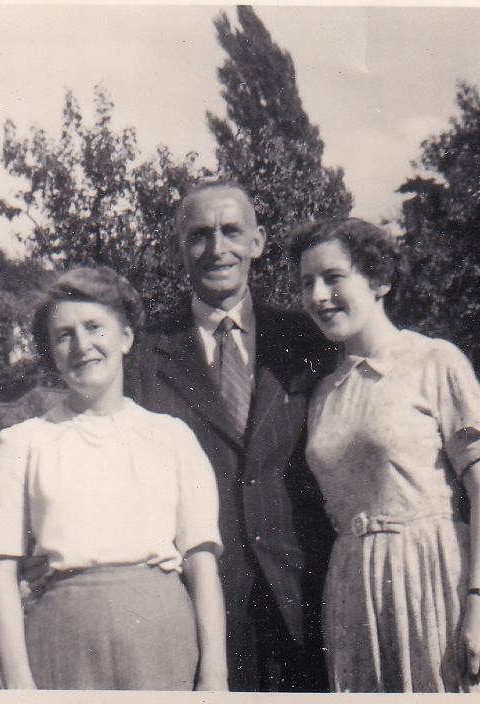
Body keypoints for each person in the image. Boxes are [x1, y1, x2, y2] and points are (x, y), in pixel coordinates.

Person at [288, 217, 480, 693]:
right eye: (307, 284)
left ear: (378, 279)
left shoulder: (435, 361)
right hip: (354, 592)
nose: (318, 296)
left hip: (435, 578)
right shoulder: (322, 393)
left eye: (334, 277)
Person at [125, 181, 336, 692]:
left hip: (309, 596)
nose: (217, 249)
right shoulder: (145, 359)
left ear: (258, 242)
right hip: (206, 610)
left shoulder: (309, 341)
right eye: (199, 236)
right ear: (180, 250)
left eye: (231, 231)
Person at [0, 267, 227, 691]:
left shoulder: (171, 437)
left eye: (95, 327)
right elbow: (1, 575)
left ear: (126, 338)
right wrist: (20, 687)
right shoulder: (20, 444)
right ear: (51, 353)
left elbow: (202, 565)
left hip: (162, 638)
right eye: (64, 335)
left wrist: (215, 676)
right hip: (62, 643)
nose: (82, 345)